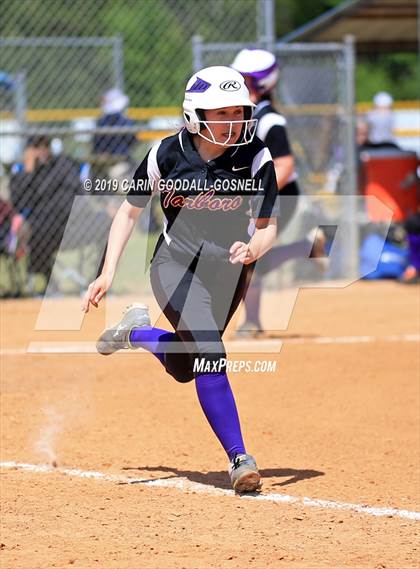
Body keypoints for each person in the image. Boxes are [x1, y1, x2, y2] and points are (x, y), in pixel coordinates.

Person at [82, 66, 279, 493]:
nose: (233, 121)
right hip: (175, 266)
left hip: (229, 274)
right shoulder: (166, 155)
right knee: (211, 351)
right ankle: (240, 459)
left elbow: (267, 226)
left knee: (186, 365)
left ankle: (137, 334)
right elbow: (129, 211)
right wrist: (108, 269)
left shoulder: (256, 158)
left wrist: (254, 249)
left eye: (238, 111)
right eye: (221, 113)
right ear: (194, 115)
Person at [231, 48, 327, 336]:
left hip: (281, 194)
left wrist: (258, 196)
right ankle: (307, 247)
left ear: (261, 83)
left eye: (245, 80)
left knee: (251, 257)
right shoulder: (245, 114)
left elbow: (285, 164)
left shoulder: (270, 119)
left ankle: (252, 323)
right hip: (259, 194)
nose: (239, 85)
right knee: (249, 256)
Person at [10, 136, 82, 293]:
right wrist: (29, 171)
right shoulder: (22, 173)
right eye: (37, 146)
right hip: (41, 230)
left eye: (45, 146)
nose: (42, 150)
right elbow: (18, 203)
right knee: (35, 234)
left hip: (69, 225)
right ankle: (49, 284)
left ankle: (97, 282)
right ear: (29, 151)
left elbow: (80, 191)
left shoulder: (62, 165)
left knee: (108, 222)